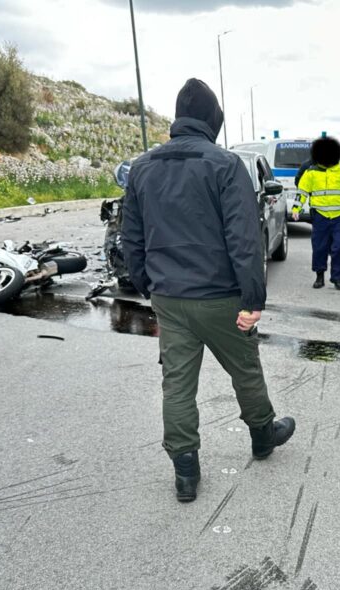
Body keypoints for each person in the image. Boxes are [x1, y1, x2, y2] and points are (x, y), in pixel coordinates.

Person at [121, 78, 296, 503]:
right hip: (220, 297)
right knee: (245, 369)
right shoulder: (224, 164)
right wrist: (253, 299)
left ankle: (185, 472)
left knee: (177, 384)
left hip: (170, 299)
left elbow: (132, 238)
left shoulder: (142, 167)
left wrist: (148, 286)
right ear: (212, 120)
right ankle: (262, 436)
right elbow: (244, 238)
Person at [291, 137, 340, 290]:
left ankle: (337, 278)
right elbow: (301, 192)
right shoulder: (311, 173)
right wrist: (296, 209)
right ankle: (319, 276)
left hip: (339, 217)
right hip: (320, 216)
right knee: (319, 247)